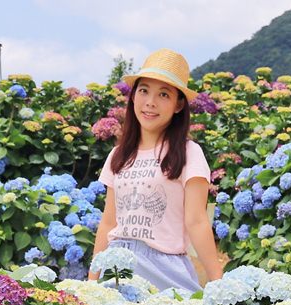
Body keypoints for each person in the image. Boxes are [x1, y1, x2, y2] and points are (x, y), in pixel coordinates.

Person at [87, 48, 223, 292]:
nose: (150, 102)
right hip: (117, 268)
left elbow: (197, 221)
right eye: (143, 91)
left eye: (163, 94)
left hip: (165, 268)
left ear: (179, 104)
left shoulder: (189, 152)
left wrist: (218, 282)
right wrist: (92, 283)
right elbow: (108, 223)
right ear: (133, 96)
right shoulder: (118, 155)